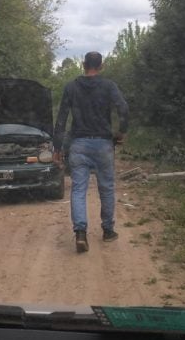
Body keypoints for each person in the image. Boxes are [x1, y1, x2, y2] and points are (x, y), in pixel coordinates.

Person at [53, 51, 129, 253]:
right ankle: (108, 231)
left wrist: (57, 148)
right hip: (103, 144)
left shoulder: (71, 87)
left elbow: (61, 119)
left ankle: (80, 233)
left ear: (83, 65)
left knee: (78, 189)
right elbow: (124, 108)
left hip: (78, 143)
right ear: (101, 66)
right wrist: (121, 132)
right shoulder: (108, 86)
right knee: (106, 188)